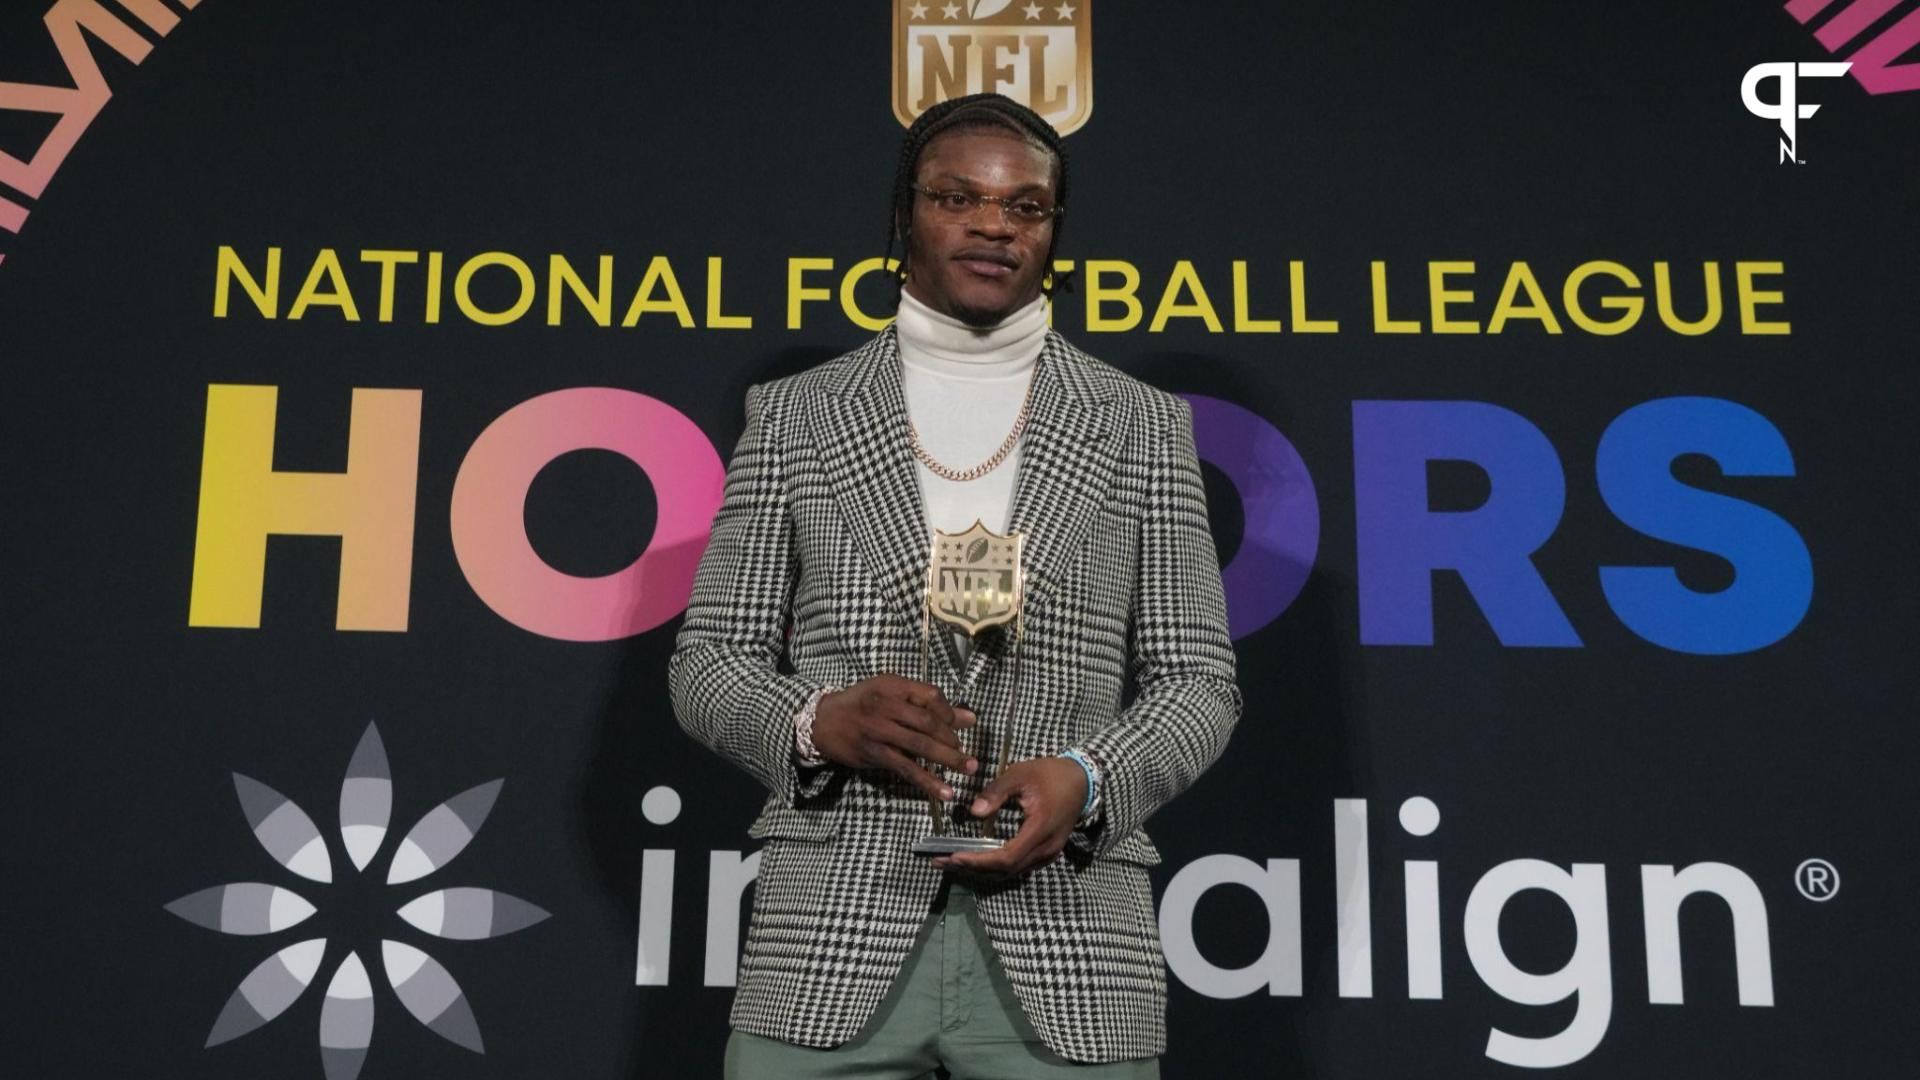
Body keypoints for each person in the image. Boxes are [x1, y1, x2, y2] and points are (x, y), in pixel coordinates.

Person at [670, 92, 1240, 1078]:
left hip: (1070, 948)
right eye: (957, 198)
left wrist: (1089, 777)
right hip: (830, 947)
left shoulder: (1144, 426)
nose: (993, 224)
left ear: (1054, 231)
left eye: (1027, 207)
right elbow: (708, 663)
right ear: (904, 215)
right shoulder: (795, 416)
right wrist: (817, 723)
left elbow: (1200, 683)